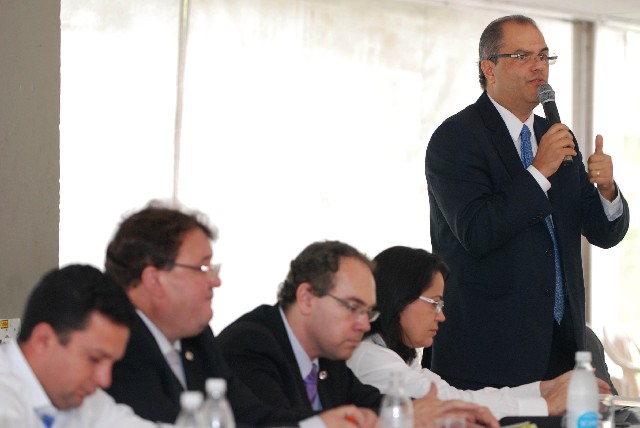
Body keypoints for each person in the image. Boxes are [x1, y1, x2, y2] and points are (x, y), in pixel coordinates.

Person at [425, 14, 630, 390]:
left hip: (561, 344)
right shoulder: (456, 138)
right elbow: (477, 231)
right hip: (487, 351)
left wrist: (606, 191)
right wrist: (538, 171)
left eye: (544, 56)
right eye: (523, 56)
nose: (539, 67)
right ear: (489, 68)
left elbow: (602, 232)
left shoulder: (555, 136)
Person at [103, 202, 370, 428]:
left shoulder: (197, 339)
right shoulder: (118, 345)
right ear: (154, 280)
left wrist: (324, 423)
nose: (215, 281)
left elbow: (251, 417)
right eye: (202, 268)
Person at [217, 240, 499, 428]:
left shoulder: (328, 356)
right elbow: (276, 423)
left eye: (368, 313)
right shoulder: (251, 344)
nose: (364, 325)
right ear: (306, 298)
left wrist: (447, 415)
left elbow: (372, 403)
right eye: (353, 308)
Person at [347, 246, 612, 421]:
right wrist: (547, 405)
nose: (441, 316)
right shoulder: (372, 358)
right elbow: (453, 402)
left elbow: (458, 395)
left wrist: (544, 389)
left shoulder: (394, 356)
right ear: (400, 297)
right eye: (434, 303)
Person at [0, 264, 167, 428]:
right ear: (43, 340)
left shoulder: (84, 401)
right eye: (94, 359)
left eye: (112, 363)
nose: (105, 380)